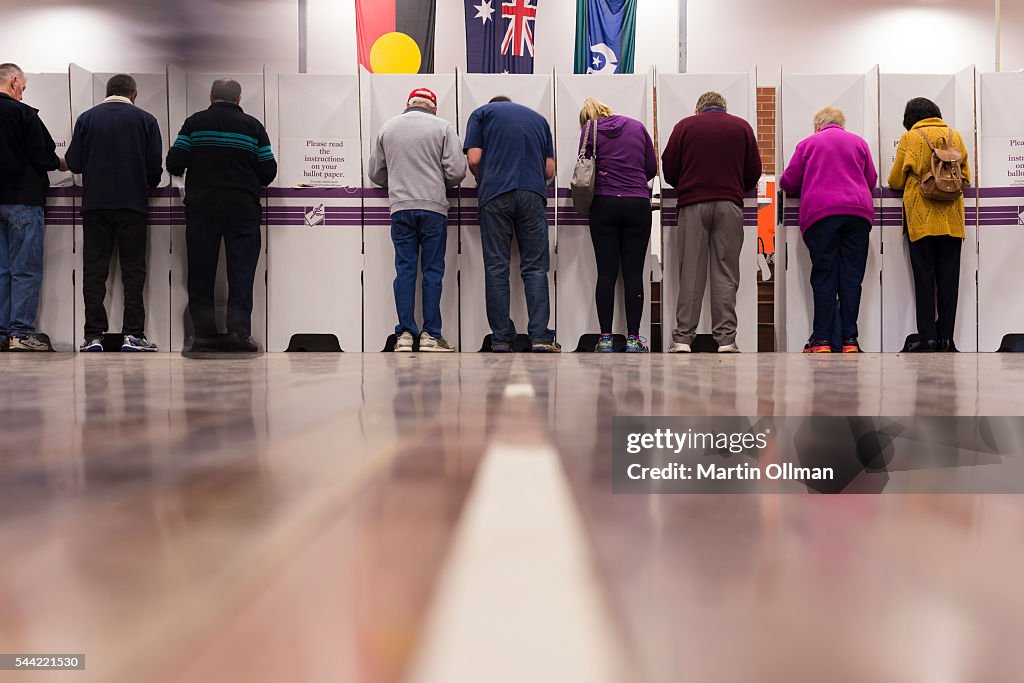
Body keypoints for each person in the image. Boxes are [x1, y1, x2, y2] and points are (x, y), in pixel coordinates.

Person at [166, 78, 276, 352]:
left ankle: (202, 337)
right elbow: (268, 171)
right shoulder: (254, 127)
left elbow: (174, 162)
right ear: (239, 99)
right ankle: (239, 335)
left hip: (203, 209)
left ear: (211, 95)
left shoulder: (194, 123)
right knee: (241, 273)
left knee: (201, 273)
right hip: (243, 210)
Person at [66, 74, 163, 352]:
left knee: (95, 272)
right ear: (134, 94)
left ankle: (93, 336)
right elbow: (154, 171)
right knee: (133, 271)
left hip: (95, 205)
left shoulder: (87, 118)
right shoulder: (146, 120)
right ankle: (133, 336)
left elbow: (74, 163)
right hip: (132, 206)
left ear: (108, 92)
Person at [661, 91, 761, 353]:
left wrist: (686, 184)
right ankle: (726, 340)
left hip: (692, 205)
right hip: (729, 205)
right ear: (724, 109)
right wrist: (736, 187)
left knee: (691, 273)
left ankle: (683, 339)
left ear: (698, 109)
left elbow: (668, 167)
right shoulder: (741, 127)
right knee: (726, 273)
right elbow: (754, 171)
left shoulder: (684, 126)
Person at [368, 87, 466, 352]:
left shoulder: (388, 128)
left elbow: (375, 173)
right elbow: (457, 172)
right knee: (433, 272)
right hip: (433, 208)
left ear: (408, 104)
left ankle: (405, 335)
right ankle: (431, 336)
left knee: (405, 271)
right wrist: (436, 182)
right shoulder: (443, 127)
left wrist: (401, 181)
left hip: (401, 208)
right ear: (433, 106)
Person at [464, 96, 559, 353]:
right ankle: (540, 337)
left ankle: (502, 339)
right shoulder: (539, 120)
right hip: (532, 193)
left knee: (496, 267)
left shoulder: (481, 113)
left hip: (495, 194)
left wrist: (484, 178)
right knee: (535, 269)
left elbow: (473, 159)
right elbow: (549, 170)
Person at [779, 106, 877, 354]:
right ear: (841, 124)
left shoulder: (808, 144)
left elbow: (788, 182)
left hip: (821, 215)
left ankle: (822, 340)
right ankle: (849, 341)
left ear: (817, 125)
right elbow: (871, 179)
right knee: (852, 278)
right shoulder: (859, 143)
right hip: (857, 214)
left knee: (824, 275)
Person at [888, 97, 970, 352]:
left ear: (910, 118)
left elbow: (895, 179)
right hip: (952, 220)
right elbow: (966, 176)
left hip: (921, 219)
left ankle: (928, 337)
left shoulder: (910, 138)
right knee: (949, 281)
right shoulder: (954, 136)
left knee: (924, 279)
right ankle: (946, 338)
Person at [578, 97, 657, 353]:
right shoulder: (638, 127)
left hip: (604, 204)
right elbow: (651, 169)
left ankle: (606, 339)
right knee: (634, 274)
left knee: (607, 273)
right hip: (637, 203)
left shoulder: (591, 129)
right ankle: (633, 339)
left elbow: (584, 167)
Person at [0, 62, 66, 352]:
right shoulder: (24, 114)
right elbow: (44, 157)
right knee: (24, 269)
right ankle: (20, 333)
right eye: (23, 88)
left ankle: (1, 333)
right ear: (14, 81)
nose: (23, 95)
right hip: (22, 200)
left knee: (1, 270)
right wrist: (64, 162)